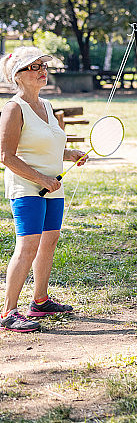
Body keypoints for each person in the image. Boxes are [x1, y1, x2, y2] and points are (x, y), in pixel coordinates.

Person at [0, 48, 87, 332]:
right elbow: (6, 157)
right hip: (27, 187)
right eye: (34, 67)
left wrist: (71, 154)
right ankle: (8, 312)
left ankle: (39, 301)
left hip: (52, 186)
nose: (42, 70)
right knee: (27, 245)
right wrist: (41, 178)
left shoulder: (47, 106)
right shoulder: (13, 108)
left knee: (49, 241)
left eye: (43, 65)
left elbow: (49, 146)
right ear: (17, 76)